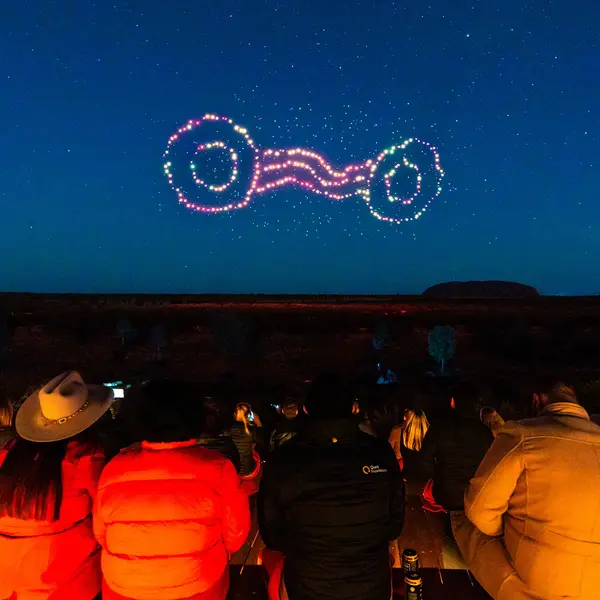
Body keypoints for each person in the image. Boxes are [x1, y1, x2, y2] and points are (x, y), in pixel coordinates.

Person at [94, 379, 251, 600]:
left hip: (124, 587)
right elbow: (235, 536)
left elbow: (101, 533)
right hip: (198, 585)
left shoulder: (113, 469)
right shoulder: (219, 467)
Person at [258, 374, 405, 600]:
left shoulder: (284, 458)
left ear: (305, 409)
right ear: (354, 408)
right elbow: (394, 526)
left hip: (307, 588)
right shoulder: (380, 452)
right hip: (371, 587)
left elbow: (272, 536)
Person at [454, 382, 600, 600]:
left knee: (465, 522)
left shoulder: (522, 434)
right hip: (593, 586)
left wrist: (509, 531)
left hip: (535, 583)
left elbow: (479, 510)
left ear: (536, 399)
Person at [0, 371, 110, 600]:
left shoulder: (8, 455)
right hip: (64, 581)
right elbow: (104, 522)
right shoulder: (86, 459)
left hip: (8, 579)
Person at [231, 402, 262, 493]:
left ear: (235, 414)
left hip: (233, 469)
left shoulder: (228, 429)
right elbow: (262, 440)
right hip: (249, 469)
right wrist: (258, 422)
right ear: (249, 415)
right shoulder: (252, 429)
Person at [389, 408, 429, 479]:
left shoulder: (401, 433)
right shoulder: (430, 435)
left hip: (408, 476)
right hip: (427, 477)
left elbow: (388, 452)